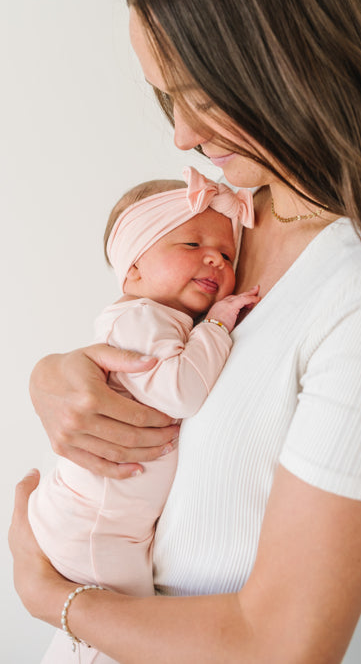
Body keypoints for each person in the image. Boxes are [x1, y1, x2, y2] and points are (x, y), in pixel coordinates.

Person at [10, 0, 361, 664]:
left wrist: (54, 601)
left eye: (201, 98)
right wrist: (57, 377)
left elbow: (283, 645)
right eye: (166, 97)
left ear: (286, 62)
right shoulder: (232, 224)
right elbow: (148, 347)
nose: (178, 134)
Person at [28, 166, 258, 661]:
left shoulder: (162, 321)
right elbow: (181, 392)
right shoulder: (141, 319)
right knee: (120, 638)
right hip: (95, 527)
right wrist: (216, 327)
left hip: (104, 522)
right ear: (133, 269)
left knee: (101, 640)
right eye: (192, 245)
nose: (216, 258)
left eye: (227, 253)